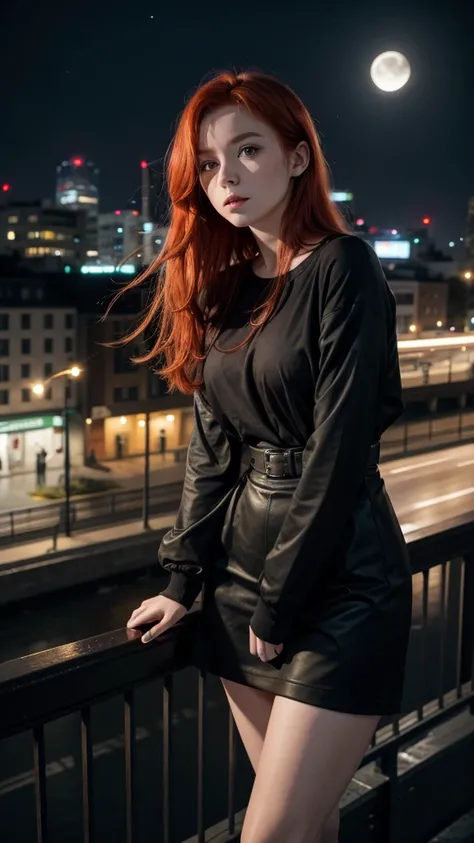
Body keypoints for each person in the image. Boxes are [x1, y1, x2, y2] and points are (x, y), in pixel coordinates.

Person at [123, 71, 413, 843]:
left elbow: (340, 448)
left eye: (248, 151)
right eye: (210, 165)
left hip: (341, 581)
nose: (227, 178)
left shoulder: (345, 269)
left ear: (296, 156)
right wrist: (185, 580)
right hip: (238, 586)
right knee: (308, 828)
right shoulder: (222, 290)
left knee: (271, 833)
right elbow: (212, 452)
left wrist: (282, 600)